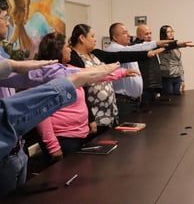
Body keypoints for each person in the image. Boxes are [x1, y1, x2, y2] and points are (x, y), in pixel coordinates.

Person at [0, 60, 119, 197]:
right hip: (7, 155)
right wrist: (69, 83)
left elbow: (34, 74)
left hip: (17, 152)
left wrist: (14, 65)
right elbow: (10, 114)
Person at [36, 32, 138, 162]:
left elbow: (93, 75)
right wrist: (53, 146)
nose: (70, 49)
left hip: (78, 135)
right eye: (67, 46)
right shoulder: (45, 76)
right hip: (63, 138)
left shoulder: (68, 69)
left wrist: (122, 73)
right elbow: (42, 116)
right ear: (57, 50)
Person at [68, 24, 163, 129]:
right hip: (95, 114)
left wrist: (146, 55)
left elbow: (120, 57)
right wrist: (90, 118)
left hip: (109, 112)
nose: (95, 40)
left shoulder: (95, 53)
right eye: (92, 36)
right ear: (82, 38)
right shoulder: (74, 59)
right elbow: (82, 91)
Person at [132, 24, 194, 112]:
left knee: (158, 109)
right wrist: (177, 44)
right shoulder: (137, 47)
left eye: (150, 33)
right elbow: (163, 46)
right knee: (147, 111)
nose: (149, 36)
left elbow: (177, 60)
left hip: (155, 84)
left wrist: (180, 44)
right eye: (146, 34)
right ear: (139, 35)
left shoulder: (151, 44)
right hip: (147, 84)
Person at [105, 22, 165, 114]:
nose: (129, 35)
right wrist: (156, 43)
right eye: (124, 33)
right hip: (123, 101)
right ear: (115, 37)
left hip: (134, 101)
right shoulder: (113, 49)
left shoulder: (127, 49)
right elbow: (138, 48)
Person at [158, 25, 185, 95]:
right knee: (169, 99)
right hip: (167, 77)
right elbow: (168, 47)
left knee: (177, 100)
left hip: (177, 77)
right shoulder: (162, 45)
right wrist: (183, 45)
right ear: (164, 34)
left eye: (172, 31)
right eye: (168, 32)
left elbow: (179, 62)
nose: (171, 33)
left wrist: (182, 79)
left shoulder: (176, 46)